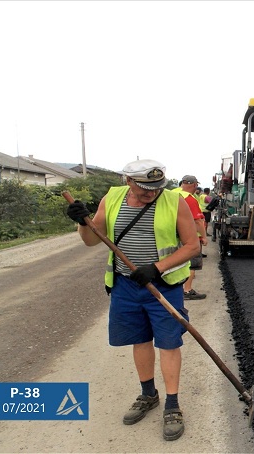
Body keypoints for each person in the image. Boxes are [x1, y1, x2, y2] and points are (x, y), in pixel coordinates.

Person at [66, 159, 198, 441]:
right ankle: (148, 394)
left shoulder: (175, 202)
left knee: (169, 342)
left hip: (163, 285)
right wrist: (81, 223)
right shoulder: (112, 198)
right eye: (144, 189)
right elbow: (92, 239)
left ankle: (172, 404)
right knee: (140, 340)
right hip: (126, 285)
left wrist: (157, 268)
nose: (151, 193)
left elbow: (192, 245)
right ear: (128, 181)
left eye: (156, 188)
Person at [172, 176, 208, 300]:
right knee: (191, 265)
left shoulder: (171, 194)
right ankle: (187, 291)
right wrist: (203, 236)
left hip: (171, 236)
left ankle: (174, 288)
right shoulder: (189, 198)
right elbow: (197, 221)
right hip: (189, 237)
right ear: (194, 185)